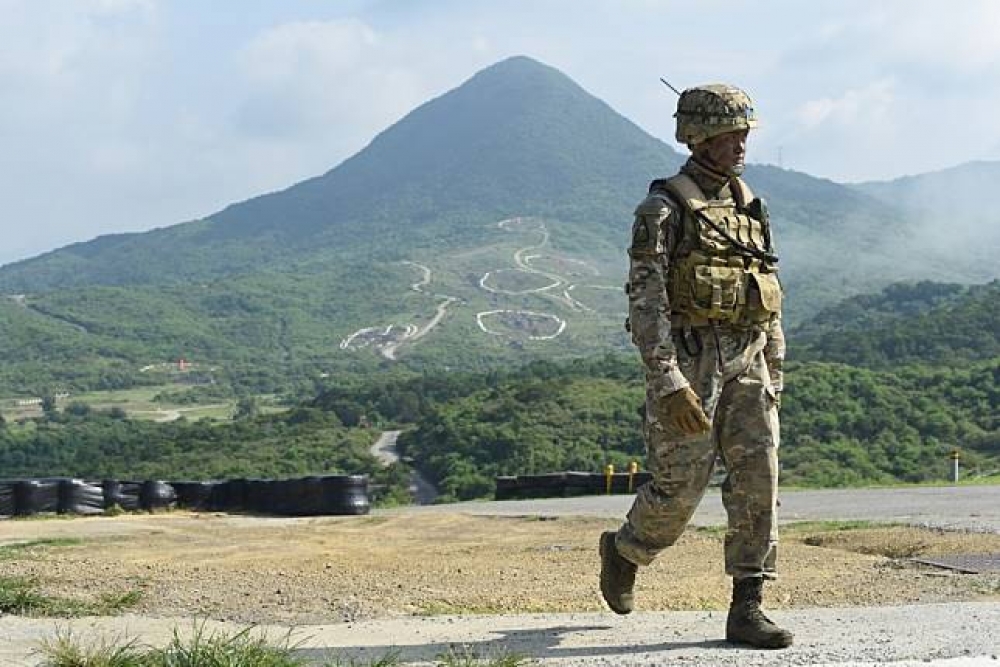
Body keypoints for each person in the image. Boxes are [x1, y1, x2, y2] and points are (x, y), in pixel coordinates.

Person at [599, 83, 792, 649]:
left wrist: (772, 372)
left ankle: (748, 606)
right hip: (689, 363)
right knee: (680, 488)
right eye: (731, 133)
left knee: (760, 480)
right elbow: (646, 302)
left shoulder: (750, 204)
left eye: (745, 132)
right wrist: (669, 383)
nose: (741, 143)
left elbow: (768, 290)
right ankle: (627, 549)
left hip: (749, 359)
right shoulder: (663, 209)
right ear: (698, 136)